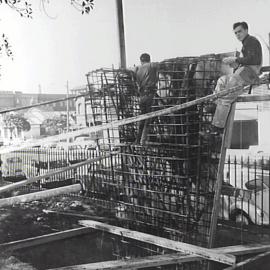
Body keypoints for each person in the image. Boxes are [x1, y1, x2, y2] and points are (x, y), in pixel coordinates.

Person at [211, 22, 262, 134]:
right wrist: (234, 63)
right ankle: (216, 104)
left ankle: (218, 127)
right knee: (222, 80)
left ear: (246, 30)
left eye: (240, 31)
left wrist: (235, 59)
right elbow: (247, 60)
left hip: (249, 73)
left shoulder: (251, 41)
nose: (238, 34)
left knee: (227, 95)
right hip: (244, 71)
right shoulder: (246, 43)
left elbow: (254, 60)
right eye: (235, 33)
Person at [133, 53, 159, 144]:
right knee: (149, 117)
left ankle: (138, 139)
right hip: (150, 95)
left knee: (142, 117)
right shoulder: (151, 65)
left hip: (142, 96)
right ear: (149, 59)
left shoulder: (137, 69)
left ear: (141, 61)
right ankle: (143, 141)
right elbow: (160, 65)